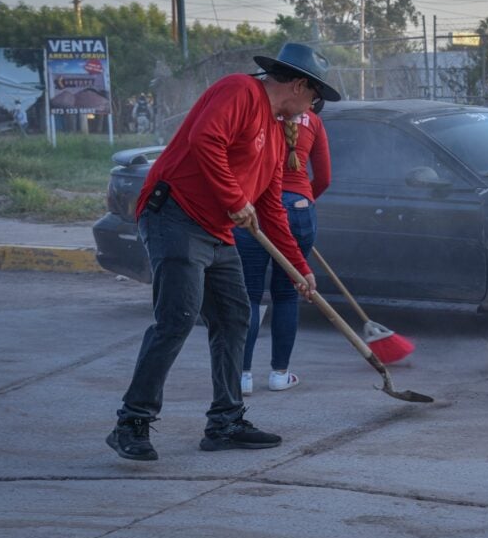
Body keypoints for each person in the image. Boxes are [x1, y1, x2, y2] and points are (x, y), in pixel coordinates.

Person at [106, 43, 342, 461]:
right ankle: (132, 420)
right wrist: (235, 199)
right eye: (315, 97)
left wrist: (298, 269)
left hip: (217, 231)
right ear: (299, 85)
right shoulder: (239, 91)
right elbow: (205, 139)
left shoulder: (273, 134)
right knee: (176, 318)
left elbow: (270, 208)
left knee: (235, 317)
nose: (313, 108)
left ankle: (225, 422)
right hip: (174, 217)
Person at [234, 104, 331, 395]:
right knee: (287, 294)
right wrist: (300, 201)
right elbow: (324, 177)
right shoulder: (313, 121)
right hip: (300, 208)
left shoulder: (261, 115)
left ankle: (242, 376)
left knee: (249, 295)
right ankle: (280, 374)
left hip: (256, 209)